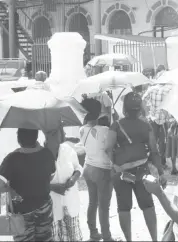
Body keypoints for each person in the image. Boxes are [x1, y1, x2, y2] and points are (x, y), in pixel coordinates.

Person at [105, 92, 166, 242]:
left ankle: (129, 240)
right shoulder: (146, 125)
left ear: (125, 107)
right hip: (142, 170)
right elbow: (154, 150)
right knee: (148, 205)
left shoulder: (116, 125)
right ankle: (154, 239)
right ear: (140, 108)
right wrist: (161, 172)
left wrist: (114, 166)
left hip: (121, 172)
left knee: (124, 207)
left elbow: (108, 149)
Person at [0, 128, 56, 242]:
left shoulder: (13, 158)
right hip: (44, 206)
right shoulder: (47, 153)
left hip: (21, 210)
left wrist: (10, 189)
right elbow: (51, 176)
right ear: (36, 137)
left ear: (18, 139)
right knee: (45, 238)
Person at [79, 98, 115, 242]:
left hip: (88, 168)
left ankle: (93, 233)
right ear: (98, 112)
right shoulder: (105, 130)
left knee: (92, 202)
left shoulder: (82, 129)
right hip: (102, 170)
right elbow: (110, 148)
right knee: (104, 205)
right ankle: (107, 237)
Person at [44, 126, 83, 242]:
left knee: (73, 237)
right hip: (52, 207)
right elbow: (34, 181)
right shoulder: (41, 154)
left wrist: (73, 179)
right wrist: (52, 187)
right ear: (49, 135)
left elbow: (78, 167)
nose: (64, 134)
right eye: (60, 132)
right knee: (54, 237)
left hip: (70, 202)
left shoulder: (67, 149)